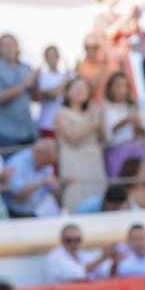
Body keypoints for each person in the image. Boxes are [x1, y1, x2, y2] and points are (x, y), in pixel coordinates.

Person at [54, 77, 104, 214]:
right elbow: (72, 137)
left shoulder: (93, 112)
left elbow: (103, 136)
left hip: (93, 160)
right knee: (76, 196)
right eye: (76, 88)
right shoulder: (61, 113)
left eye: (84, 88)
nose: (80, 92)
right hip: (73, 160)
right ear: (67, 92)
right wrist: (92, 120)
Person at [0, 34, 37, 151]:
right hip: (6, 133)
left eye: (11, 44)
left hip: (28, 131)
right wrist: (25, 84)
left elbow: (36, 98)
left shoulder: (26, 68)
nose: (9, 48)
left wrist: (37, 82)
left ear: (17, 47)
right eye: (5, 45)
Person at [99, 70, 145, 180]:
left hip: (136, 150)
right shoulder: (105, 108)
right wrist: (122, 123)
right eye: (117, 85)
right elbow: (104, 137)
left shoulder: (134, 107)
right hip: (116, 153)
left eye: (123, 85)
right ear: (110, 88)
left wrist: (139, 127)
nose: (120, 89)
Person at [3, 136, 62, 219]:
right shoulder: (18, 163)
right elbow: (18, 198)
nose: (48, 165)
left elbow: (51, 192)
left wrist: (63, 185)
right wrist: (41, 183)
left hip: (35, 212)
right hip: (15, 214)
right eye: (47, 162)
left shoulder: (47, 165)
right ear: (40, 154)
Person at [43, 223, 118, 282]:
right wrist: (103, 257)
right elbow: (79, 274)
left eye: (77, 240)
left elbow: (105, 273)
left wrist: (115, 261)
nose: (73, 243)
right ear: (62, 240)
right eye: (68, 240)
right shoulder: (55, 257)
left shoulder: (83, 254)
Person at [34, 45, 68, 141]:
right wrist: (65, 81)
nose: (52, 59)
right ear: (45, 59)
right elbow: (53, 95)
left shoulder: (65, 75)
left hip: (64, 124)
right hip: (48, 124)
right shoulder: (43, 77)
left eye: (54, 56)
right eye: (49, 56)